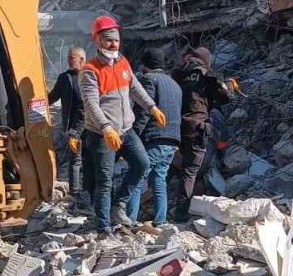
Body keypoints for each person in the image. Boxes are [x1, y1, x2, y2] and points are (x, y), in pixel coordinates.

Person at [77, 15, 166, 234]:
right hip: (101, 134)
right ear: (97, 41)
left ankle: (119, 205)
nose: (113, 44)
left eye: (115, 40)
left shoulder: (123, 63)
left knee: (142, 164)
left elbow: (135, 88)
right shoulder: (90, 70)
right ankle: (103, 226)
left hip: (126, 131)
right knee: (104, 180)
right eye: (108, 40)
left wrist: (151, 107)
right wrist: (106, 127)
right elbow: (91, 104)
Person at [172, 46, 234, 221]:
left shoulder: (177, 73)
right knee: (191, 171)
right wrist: (228, 86)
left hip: (176, 126)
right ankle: (182, 211)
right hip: (196, 127)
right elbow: (225, 97)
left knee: (174, 167)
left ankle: (157, 205)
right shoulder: (205, 74)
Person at [127, 51, 182, 225]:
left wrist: (133, 135)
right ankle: (160, 220)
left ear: (145, 65)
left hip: (154, 137)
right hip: (172, 140)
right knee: (159, 179)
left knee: (136, 174)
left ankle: (129, 220)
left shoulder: (149, 79)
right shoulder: (175, 84)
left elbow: (144, 109)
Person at [48, 46, 87, 202]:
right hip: (72, 127)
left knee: (90, 159)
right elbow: (52, 97)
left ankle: (91, 190)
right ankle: (75, 192)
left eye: (72, 58)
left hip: (90, 126)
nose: (69, 61)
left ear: (82, 60)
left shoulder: (91, 76)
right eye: (68, 58)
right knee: (75, 160)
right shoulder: (65, 78)